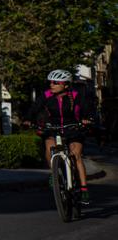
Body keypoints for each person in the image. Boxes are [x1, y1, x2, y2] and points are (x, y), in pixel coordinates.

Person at [25, 69, 95, 205]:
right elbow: (34, 108)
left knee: (76, 154)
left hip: (73, 128)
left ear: (66, 85)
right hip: (53, 128)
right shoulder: (46, 95)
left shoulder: (76, 95)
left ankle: (84, 188)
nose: (52, 85)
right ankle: (54, 173)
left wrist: (87, 118)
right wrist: (28, 119)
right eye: (50, 82)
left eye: (56, 82)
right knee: (49, 147)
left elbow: (87, 108)